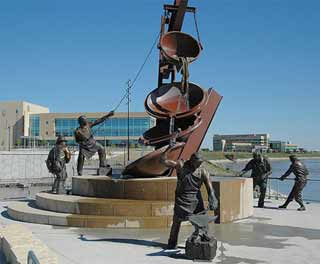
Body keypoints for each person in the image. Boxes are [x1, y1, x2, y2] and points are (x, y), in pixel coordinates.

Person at [160, 146, 218, 249]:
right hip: (182, 199)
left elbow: (210, 188)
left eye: (200, 163)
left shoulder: (203, 172)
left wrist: (212, 198)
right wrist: (170, 148)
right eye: (197, 163)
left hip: (196, 200)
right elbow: (163, 161)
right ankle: (172, 243)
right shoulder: (181, 166)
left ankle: (202, 240)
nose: (199, 165)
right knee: (177, 221)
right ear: (191, 160)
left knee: (202, 221)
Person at [74, 111, 114, 176]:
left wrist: (108, 115)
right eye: (85, 120)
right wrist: (83, 141)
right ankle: (79, 171)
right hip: (84, 145)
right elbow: (77, 141)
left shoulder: (88, 125)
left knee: (101, 148)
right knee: (81, 157)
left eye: (86, 120)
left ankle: (103, 165)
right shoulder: (77, 131)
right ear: (81, 121)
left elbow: (98, 121)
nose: (86, 121)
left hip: (92, 142)